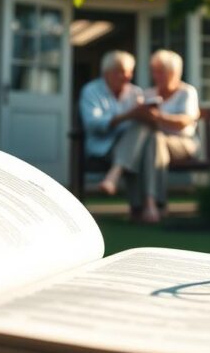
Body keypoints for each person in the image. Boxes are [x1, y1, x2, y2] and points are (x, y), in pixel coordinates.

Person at [110, 49, 200, 223]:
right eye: (154, 71)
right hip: (155, 142)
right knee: (150, 143)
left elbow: (185, 121)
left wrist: (158, 117)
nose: (156, 76)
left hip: (184, 142)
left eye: (160, 71)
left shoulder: (187, 92)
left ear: (174, 73)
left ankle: (146, 205)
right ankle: (150, 206)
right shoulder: (150, 93)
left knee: (151, 142)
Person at [77, 50, 145, 195]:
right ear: (107, 72)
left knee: (144, 133)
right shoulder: (91, 91)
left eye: (130, 72)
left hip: (132, 145)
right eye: (121, 72)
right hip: (103, 147)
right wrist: (128, 116)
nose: (127, 77)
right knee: (143, 149)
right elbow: (93, 125)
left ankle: (115, 174)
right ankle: (148, 206)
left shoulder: (136, 92)